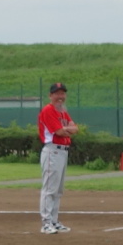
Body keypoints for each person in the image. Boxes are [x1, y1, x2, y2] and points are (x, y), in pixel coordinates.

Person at [37, 82, 79, 234]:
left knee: (58, 190)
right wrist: (66, 129)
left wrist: (66, 129)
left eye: (62, 93)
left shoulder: (62, 111)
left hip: (62, 152)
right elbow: (59, 132)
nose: (60, 96)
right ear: (51, 95)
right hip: (52, 151)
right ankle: (46, 222)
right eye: (57, 93)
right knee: (50, 189)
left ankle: (54, 221)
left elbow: (75, 129)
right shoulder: (48, 110)